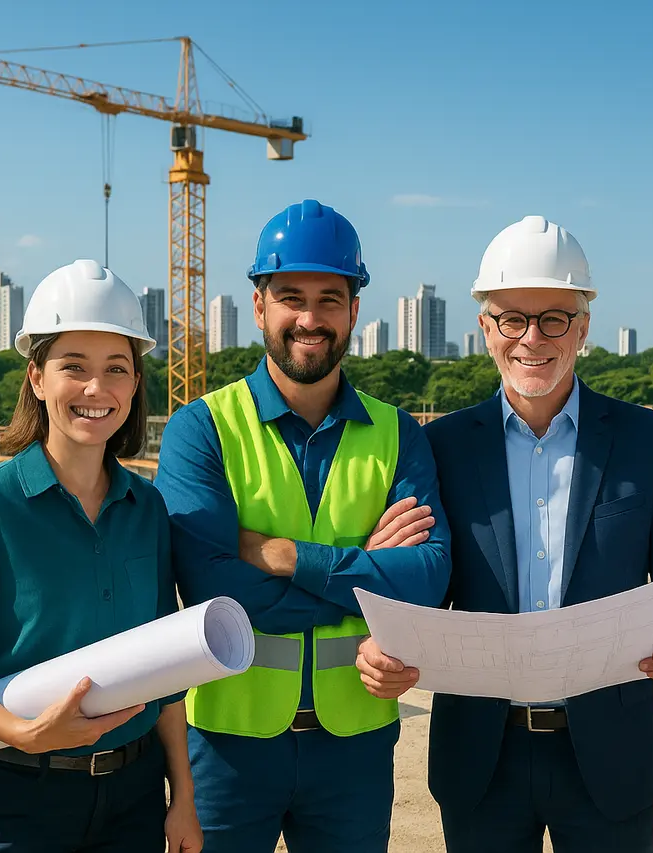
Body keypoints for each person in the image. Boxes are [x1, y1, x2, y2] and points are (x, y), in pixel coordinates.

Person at [355, 215, 653, 853]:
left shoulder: (647, 441)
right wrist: (380, 638)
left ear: (582, 327)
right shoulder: (438, 446)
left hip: (611, 751)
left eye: (553, 318)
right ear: (485, 328)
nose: (532, 338)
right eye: (511, 319)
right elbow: (417, 580)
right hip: (482, 756)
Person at [153, 198, 451, 853]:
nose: (309, 318)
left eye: (329, 298)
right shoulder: (202, 429)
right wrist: (366, 576)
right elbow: (211, 590)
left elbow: (427, 579)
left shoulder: (398, 432)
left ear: (354, 310)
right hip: (229, 744)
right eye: (291, 297)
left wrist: (290, 555)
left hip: (355, 746)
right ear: (259, 307)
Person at [0, 259, 202, 853]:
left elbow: (164, 672)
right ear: (36, 378)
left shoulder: (147, 509)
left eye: (116, 369)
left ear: (135, 385)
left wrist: (181, 797)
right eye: (73, 368)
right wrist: (24, 732)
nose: (95, 389)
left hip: (133, 801)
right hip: (14, 801)